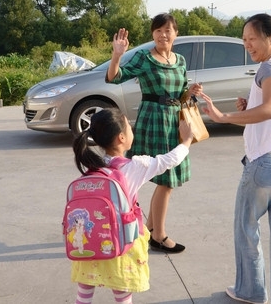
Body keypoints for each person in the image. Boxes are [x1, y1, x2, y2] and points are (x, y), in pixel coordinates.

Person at [199, 14, 271, 304]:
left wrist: (225, 117)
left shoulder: (269, 66)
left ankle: (250, 290)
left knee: (246, 229)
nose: (247, 45)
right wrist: (251, 106)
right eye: (244, 40)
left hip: (266, 165)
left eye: (252, 39)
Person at [70, 108, 194, 304]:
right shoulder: (135, 166)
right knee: (122, 290)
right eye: (129, 127)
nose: (131, 130)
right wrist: (186, 140)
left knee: (85, 289)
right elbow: (169, 160)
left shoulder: (92, 165)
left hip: (91, 242)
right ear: (121, 138)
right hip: (121, 241)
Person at [106, 13, 202, 253]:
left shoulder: (179, 60)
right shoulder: (144, 57)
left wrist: (189, 92)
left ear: (175, 34)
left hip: (174, 120)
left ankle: (148, 227)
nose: (163, 35)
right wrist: (117, 55)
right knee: (165, 180)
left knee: (167, 177)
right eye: (158, 30)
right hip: (153, 118)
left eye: (168, 30)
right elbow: (114, 78)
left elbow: (180, 93)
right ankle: (158, 235)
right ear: (153, 34)